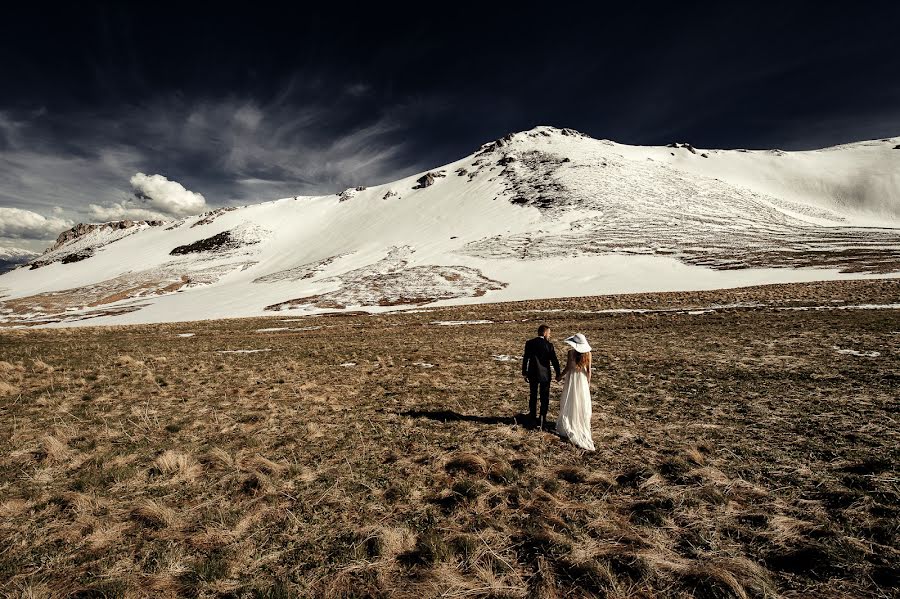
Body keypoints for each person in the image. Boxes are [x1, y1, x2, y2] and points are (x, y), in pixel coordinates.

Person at [556, 333, 595, 451]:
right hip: (582, 380)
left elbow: (568, 368)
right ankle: (579, 422)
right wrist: (587, 383)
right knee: (581, 402)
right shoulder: (588, 354)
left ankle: (570, 421)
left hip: (572, 380)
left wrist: (559, 376)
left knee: (570, 400)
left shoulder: (570, 353)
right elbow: (589, 371)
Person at [522, 324, 561, 430]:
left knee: (533, 395)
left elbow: (526, 358)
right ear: (544, 333)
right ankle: (542, 417)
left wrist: (524, 372)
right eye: (549, 333)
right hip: (545, 375)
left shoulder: (529, 343)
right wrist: (558, 373)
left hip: (532, 373)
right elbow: (554, 360)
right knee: (544, 397)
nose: (549, 335)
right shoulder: (549, 345)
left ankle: (532, 417)